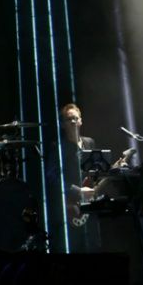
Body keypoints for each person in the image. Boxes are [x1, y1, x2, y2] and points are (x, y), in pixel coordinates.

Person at [46, 103, 99, 253]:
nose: (73, 121)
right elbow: (52, 177)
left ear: (81, 121)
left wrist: (113, 169)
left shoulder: (90, 142)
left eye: (76, 118)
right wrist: (77, 190)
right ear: (62, 124)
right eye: (69, 119)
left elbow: (96, 172)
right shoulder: (58, 147)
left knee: (93, 250)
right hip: (70, 209)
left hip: (89, 208)